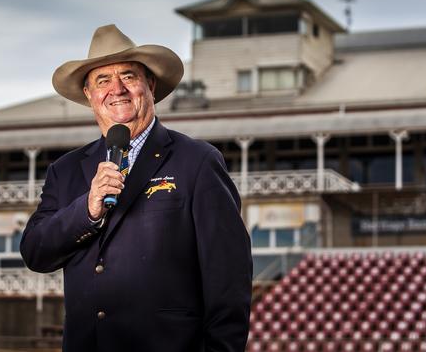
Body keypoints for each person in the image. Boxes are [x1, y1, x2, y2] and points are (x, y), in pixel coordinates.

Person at [20, 24, 252, 352]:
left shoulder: (197, 161)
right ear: (89, 95)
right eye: (103, 80)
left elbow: (228, 279)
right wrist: (87, 209)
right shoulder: (66, 171)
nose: (117, 89)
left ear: (150, 85)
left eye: (128, 76)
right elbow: (34, 252)